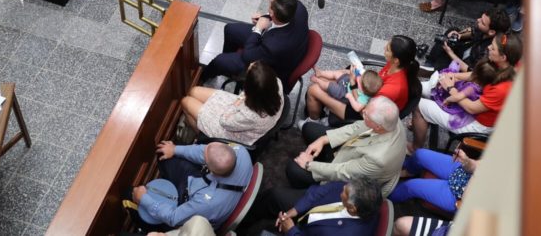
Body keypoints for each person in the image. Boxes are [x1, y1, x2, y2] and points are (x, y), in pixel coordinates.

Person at [409, 33, 522, 149]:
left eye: (493, 48)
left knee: (418, 107)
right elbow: (476, 74)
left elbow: (472, 108)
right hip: (474, 98)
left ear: (503, 57)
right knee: (426, 88)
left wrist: (450, 88)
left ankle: (414, 148)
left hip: (476, 122)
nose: (488, 47)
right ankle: (420, 122)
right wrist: (453, 75)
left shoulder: (502, 89)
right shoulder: (510, 62)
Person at [288, 97, 406, 195]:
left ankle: (310, 194)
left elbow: (343, 172)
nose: (362, 111)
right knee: (309, 128)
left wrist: (309, 164)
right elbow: (358, 127)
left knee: (293, 169)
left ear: (378, 126)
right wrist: (324, 139)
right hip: (352, 150)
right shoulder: (391, 118)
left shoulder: (379, 159)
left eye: (366, 114)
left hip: (355, 182)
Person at [201, 0, 310, 86]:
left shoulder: (273, 46)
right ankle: (229, 71)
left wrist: (258, 28)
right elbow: (278, 16)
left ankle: (202, 77)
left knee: (220, 61)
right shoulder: (298, 8)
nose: (269, 0)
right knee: (230, 29)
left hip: (270, 68)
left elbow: (248, 56)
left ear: (273, 13)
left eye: (270, 2)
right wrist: (265, 17)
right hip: (278, 40)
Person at [130, 140, 252, 230]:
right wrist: (175, 149)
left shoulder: (205, 203)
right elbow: (204, 152)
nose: (203, 150)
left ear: (208, 168)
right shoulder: (241, 152)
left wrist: (144, 199)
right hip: (206, 187)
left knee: (128, 194)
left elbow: (173, 217)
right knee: (164, 153)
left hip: (196, 203)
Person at [302, 35, 420, 127]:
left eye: (388, 49)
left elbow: (363, 110)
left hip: (364, 114)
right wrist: (359, 74)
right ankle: (323, 111)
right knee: (323, 79)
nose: (384, 48)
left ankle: (313, 122)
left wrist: (353, 84)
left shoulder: (393, 89)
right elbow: (375, 84)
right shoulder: (395, 66)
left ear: (396, 60)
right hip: (367, 95)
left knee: (314, 89)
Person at [180, 61, 284, 145]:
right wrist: (241, 99)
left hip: (230, 128)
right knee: (193, 91)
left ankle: (199, 136)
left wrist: (239, 101)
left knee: (185, 102)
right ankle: (192, 123)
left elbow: (224, 121)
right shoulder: (276, 83)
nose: (251, 63)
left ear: (250, 88)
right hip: (243, 108)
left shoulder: (249, 115)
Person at [240, 179, 383, 236]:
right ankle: (241, 222)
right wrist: (295, 210)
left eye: (344, 192)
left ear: (352, 209)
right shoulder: (357, 190)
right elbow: (325, 190)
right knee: (274, 195)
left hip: (306, 232)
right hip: (310, 211)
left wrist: (291, 231)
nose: (342, 188)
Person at [389, 147, 478, 217]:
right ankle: (408, 171)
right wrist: (466, 161)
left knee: (410, 186)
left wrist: (476, 175)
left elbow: (466, 200)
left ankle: (385, 199)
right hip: (462, 172)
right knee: (420, 154)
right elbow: (477, 165)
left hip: (456, 196)